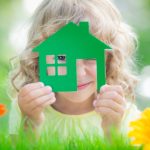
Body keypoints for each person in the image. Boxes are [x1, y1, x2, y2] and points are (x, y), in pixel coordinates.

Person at [9, 0, 140, 141]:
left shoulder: (125, 115)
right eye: (60, 57)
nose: (79, 74)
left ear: (109, 59)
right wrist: (30, 123)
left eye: (89, 57)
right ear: (37, 59)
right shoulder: (26, 108)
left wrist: (112, 129)